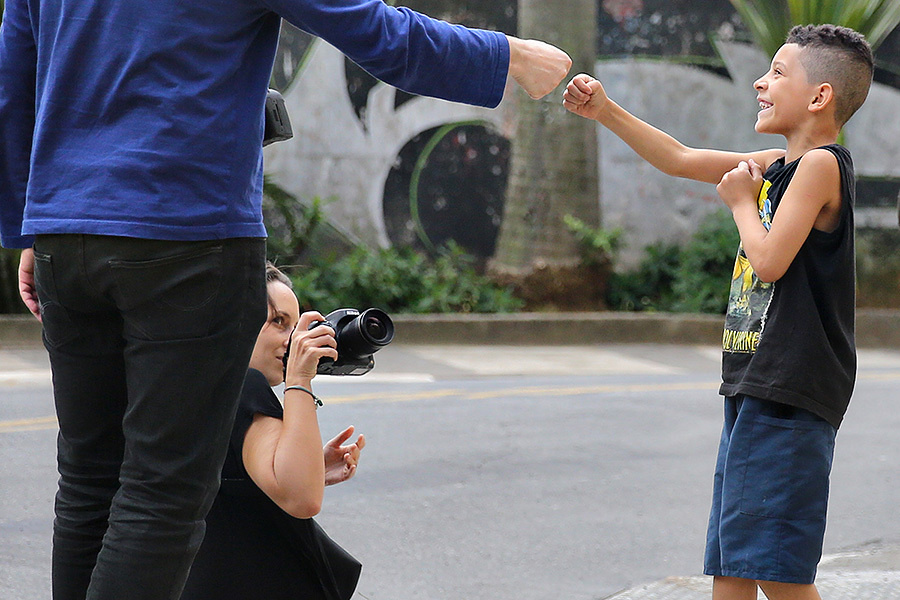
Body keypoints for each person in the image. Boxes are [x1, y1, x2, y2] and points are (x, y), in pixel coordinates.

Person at [0, 1, 572, 598]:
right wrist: (508, 55)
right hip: (186, 233)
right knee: (161, 492)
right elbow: (373, 30)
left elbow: (14, 78)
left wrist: (26, 231)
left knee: (89, 482)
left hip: (65, 234)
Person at [563, 24, 873, 600]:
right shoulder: (778, 164)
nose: (760, 82)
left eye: (777, 72)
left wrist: (739, 203)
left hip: (790, 390)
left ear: (819, 97)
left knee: (776, 571)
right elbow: (680, 159)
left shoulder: (822, 166)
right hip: (756, 384)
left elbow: (770, 261)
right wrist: (605, 110)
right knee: (732, 564)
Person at [181, 263, 365, 600]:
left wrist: (311, 468)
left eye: (296, 326)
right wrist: (300, 379)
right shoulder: (245, 386)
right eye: (278, 322)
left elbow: (225, 487)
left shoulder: (195, 386)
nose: (292, 339)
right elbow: (302, 499)